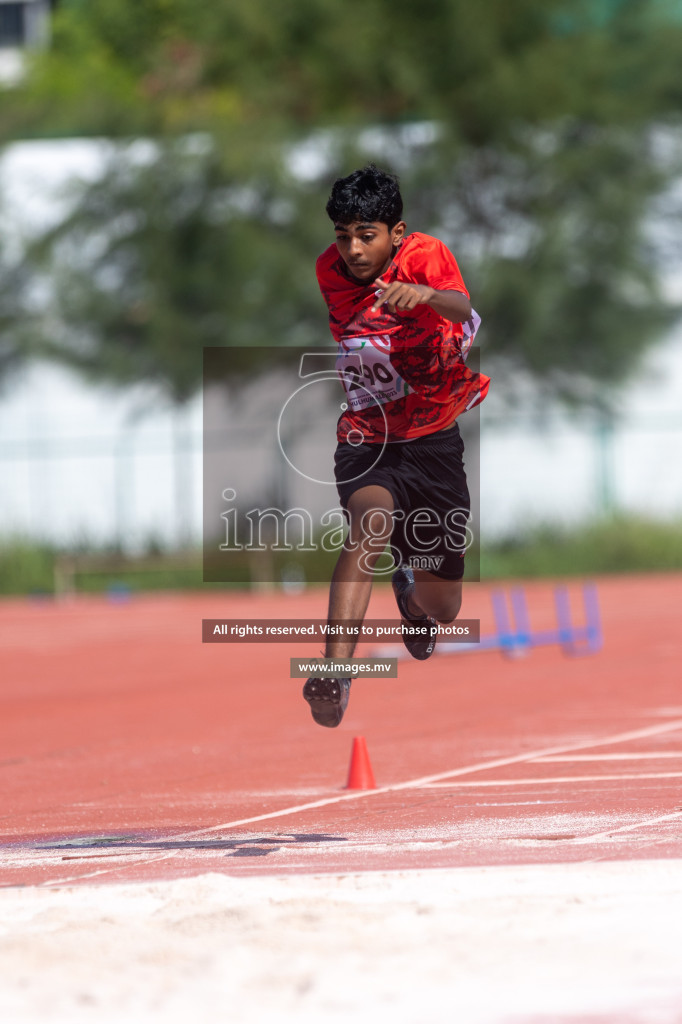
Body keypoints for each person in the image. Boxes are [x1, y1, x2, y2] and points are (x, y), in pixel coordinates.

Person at [303, 165, 489, 727]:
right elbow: (364, 323)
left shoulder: (426, 254)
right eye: (343, 236)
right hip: (369, 434)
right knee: (371, 524)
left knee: (444, 607)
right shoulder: (330, 271)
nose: (353, 250)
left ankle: (412, 598)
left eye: (367, 235)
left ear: (397, 232)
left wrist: (427, 295)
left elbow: (462, 307)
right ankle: (334, 674)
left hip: (433, 440)